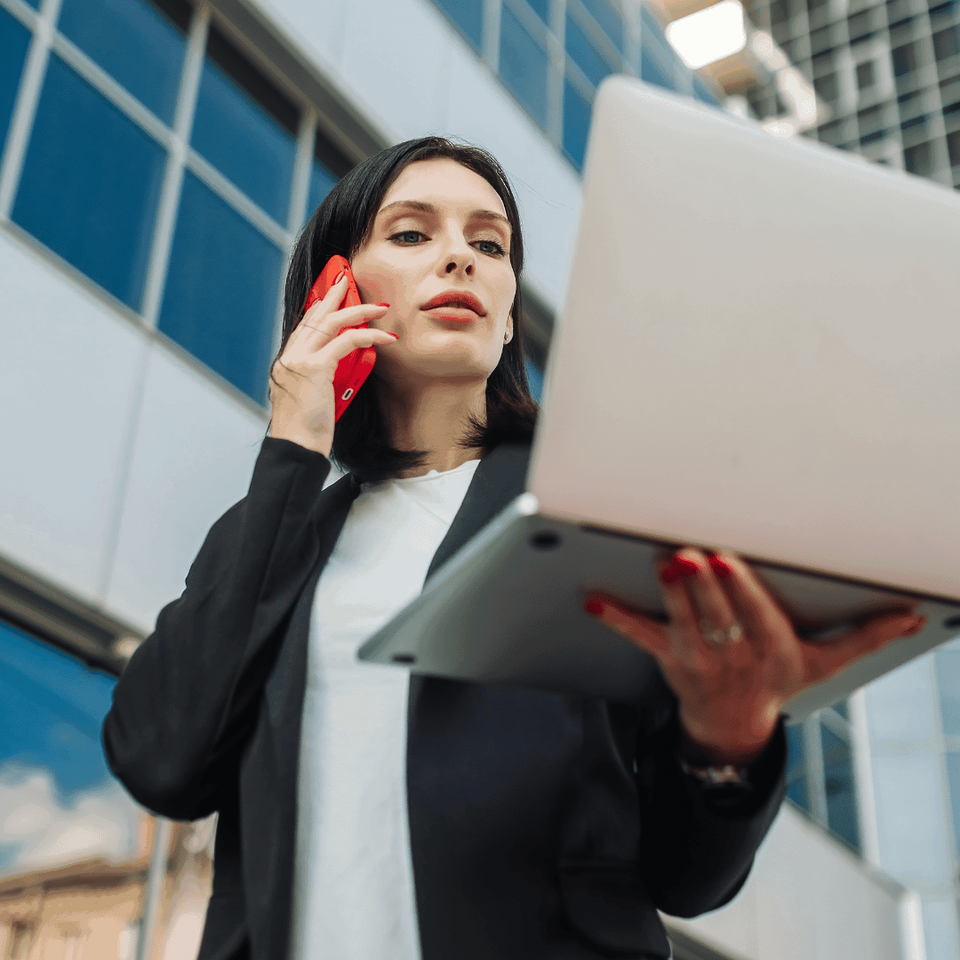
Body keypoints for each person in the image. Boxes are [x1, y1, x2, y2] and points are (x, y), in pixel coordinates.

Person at [102, 136, 924, 960]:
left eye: (488, 244)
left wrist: (729, 745)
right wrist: (295, 440)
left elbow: (687, 880)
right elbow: (164, 762)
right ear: (336, 291)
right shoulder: (276, 536)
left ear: (505, 320)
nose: (460, 256)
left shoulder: (603, 514)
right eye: (412, 233)